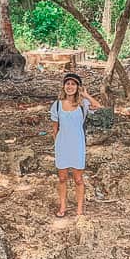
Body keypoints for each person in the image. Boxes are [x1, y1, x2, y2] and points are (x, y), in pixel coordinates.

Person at [50, 73, 102, 217]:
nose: (70, 86)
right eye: (68, 84)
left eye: (73, 84)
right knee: (62, 178)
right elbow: (55, 128)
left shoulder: (82, 104)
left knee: (78, 179)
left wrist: (86, 95)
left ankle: (79, 209)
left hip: (78, 145)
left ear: (78, 87)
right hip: (62, 145)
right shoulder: (57, 105)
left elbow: (99, 107)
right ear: (64, 86)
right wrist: (57, 144)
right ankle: (63, 207)